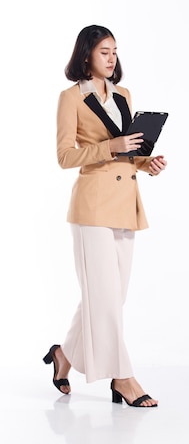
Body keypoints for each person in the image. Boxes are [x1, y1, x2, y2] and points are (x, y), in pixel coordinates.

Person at [42, 25, 167, 407]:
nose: (112, 58)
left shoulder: (124, 95)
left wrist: (147, 162)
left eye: (115, 51)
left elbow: (127, 151)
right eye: (104, 52)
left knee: (110, 297)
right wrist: (109, 147)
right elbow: (65, 156)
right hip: (93, 205)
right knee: (104, 297)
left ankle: (64, 356)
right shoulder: (71, 98)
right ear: (86, 56)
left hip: (126, 204)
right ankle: (123, 378)